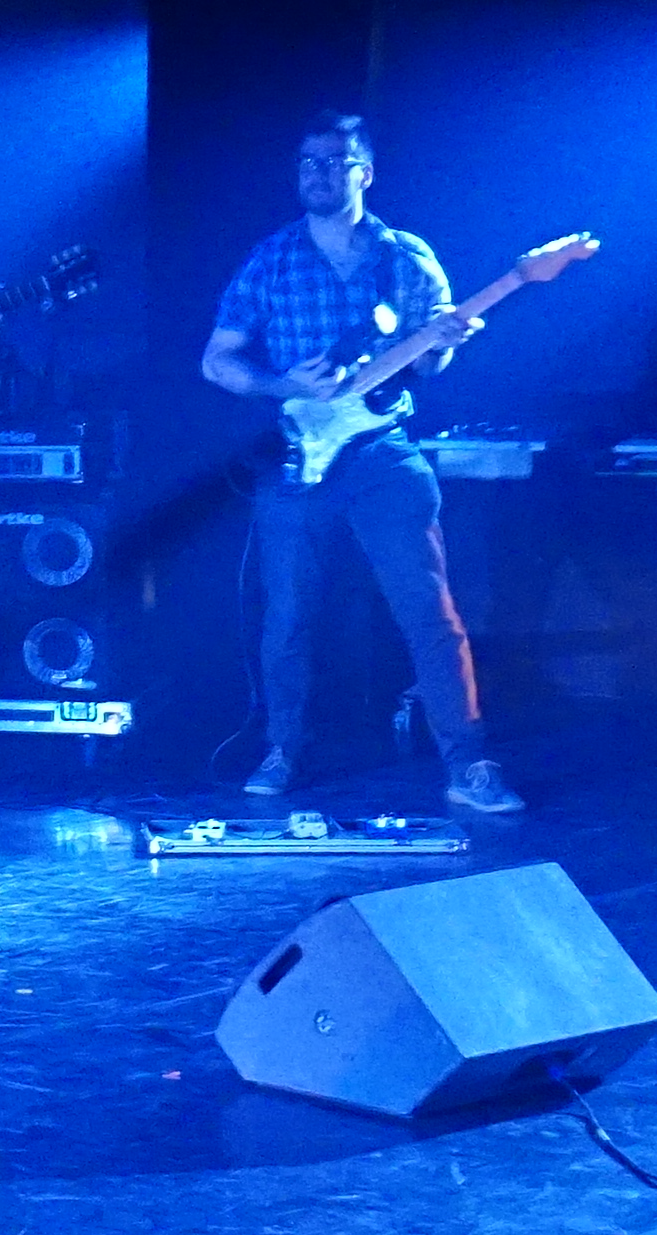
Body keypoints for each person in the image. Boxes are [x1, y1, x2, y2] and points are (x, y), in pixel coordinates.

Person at [198, 111, 519, 816]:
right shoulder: (271, 259)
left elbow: (430, 363)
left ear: (364, 172)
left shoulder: (405, 257)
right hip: (299, 457)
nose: (316, 173)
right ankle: (282, 749)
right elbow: (216, 361)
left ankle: (468, 763)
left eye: (333, 161)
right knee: (287, 618)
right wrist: (283, 385)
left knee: (428, 612)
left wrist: (445, 343)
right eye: (306, 162)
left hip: (383, 453)